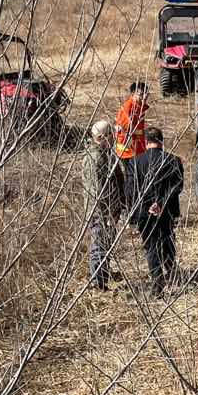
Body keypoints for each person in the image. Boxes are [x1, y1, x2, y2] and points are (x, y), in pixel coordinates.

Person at [124, 127, 184, 295]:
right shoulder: (173, 161)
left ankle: (157, 283)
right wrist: (161, 203)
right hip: (167, 212)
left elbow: (130, 190)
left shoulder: (134, 163)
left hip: (144, 213)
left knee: (151, 246)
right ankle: (172, 276)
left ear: (145, 142)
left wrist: (147, 205)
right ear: (161, 141)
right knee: (167, 241)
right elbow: (177, 186)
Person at [82, 120, 124, 290]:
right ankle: (98, 283)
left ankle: (104, 273)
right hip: (100, 212)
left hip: (110, 210)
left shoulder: (107, 153)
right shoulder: (95, 158)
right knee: (99, 245)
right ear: (101, 138)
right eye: (110, 135)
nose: (114, 138)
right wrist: (105, 215)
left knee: (106, 244)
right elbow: (96, 191)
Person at [114, 82, 149, 165]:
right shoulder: (128, 108)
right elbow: (126, 130)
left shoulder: (139, 106)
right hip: (128, 151)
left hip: (136, 149)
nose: (144, 97)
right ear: (133, 94)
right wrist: (144, 133)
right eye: (141, 94)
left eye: (146, 94)